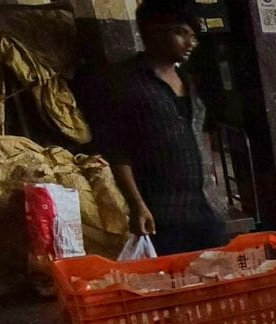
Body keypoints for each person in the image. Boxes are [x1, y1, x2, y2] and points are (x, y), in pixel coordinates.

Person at [89, 0, 227, 255]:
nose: (191, 43)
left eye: (193, 35)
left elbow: (200, 135)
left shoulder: (187, 80)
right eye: (180, 33)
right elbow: (117, 151)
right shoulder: (123, 82)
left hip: (207, 209)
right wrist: (137, 205)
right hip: (162, 215)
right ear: (151, 31)